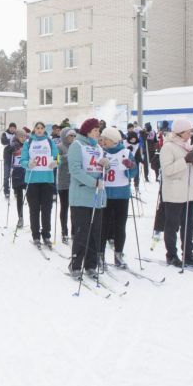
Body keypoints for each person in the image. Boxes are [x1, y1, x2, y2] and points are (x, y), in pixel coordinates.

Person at [160, 117, 193, 268]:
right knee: (172, 225)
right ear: (179, 132)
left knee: (188, 225)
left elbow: (189, 169)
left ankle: (188, 253)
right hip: (173, 193)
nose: (190, 134)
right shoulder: (168, 147)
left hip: (187, 191)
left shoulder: (185, 146)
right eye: (188, 131)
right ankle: (171, 255)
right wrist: (185, 161)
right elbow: (167, 170)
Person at [66, 118, 106, 276]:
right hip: (81, 195)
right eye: (95, 130)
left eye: (98, 130)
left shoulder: (98, 147)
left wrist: (105, 165)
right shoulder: (77, 145)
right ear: (87, 131)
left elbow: (100, 168)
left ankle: (91, 265)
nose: (98, 132)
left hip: (97, 197)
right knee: (82, 232)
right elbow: (75, 169)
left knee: (95, 232)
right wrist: (93, 182)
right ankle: (75, 265)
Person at [98, 127, 137, 268]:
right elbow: (95, 172)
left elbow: (133, 172)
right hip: (105, 193)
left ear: (113, 140)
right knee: (103, 225)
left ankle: (118, 255)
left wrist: (131, 165)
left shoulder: (126, 152)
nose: (103, 141)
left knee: (120, 226)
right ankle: (100, 255)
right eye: (102, 139)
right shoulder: (101, 152)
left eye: (105, 139)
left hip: (121, 194)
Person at [20, 122, 59, 247]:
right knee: (34, 209)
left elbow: (58, 157)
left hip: (47, 179)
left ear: (44, 130)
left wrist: (56, 163)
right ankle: (35, 235)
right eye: (37, 128)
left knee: (47, 209)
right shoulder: (28, 142)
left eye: (42, 128)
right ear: (34, 130)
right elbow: (22, 160)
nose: (40, 130)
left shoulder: (49, 141)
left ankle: (46, 235)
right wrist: (28, 164)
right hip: (32, 180)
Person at [56, 128, 76, 244]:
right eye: (70, 136)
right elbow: (57, 160)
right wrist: (68, 156)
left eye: (74, 136)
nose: (72, 138)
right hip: (63, 182)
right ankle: (64, 231)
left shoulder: (76, 146)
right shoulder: (60, 146)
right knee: (64, 207)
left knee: (74, 208)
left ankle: (74, 231)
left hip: (74, 182)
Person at [4, 128, 27, 228]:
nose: (23, 138)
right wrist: (10, 149)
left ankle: (33, 218)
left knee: (30, 197)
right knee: (19, 198)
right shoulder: (12, 145)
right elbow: (7, 159)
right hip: (17, 173)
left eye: (24, 136)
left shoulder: (27, 145)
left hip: (26, 172)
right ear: (17, 136)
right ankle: (20, 218)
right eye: (21, 136)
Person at [1, 123, 17, 198]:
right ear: (9, 128)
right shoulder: (5, 133)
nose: (12, 129)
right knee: (6, 175)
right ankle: (6, 191)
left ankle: (16, 190)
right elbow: (3, 141)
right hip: (7, 157)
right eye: (11, 128)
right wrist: (12, 142)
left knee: (15, 175)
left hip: (15, 157)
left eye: (14, 128)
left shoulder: (17, 134)